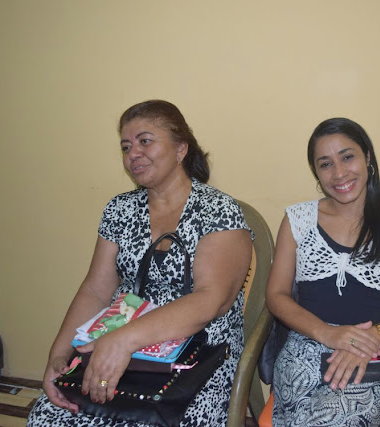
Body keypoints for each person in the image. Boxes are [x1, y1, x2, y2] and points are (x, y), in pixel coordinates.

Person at [28, 100, 253, 426]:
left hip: (198, 353)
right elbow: (95, 289)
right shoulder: (119, 209)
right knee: (48, 416)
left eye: (145, 141)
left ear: (180, 148)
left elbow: (211, 301)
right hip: (122, 341)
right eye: (125, 146)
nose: (133, 153)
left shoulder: (218, 210)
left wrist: (124, 340)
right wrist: (59, 355)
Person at [266, 118, 380, 426]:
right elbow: (276, 296)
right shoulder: (298, 219)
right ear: (316, 172)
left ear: (367, 157)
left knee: (332, 418)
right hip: (306, 346)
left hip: (376, 351)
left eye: (347, 157)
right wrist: (327, 333)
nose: (339, 173)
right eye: (325, 164)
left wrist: (372, 338)